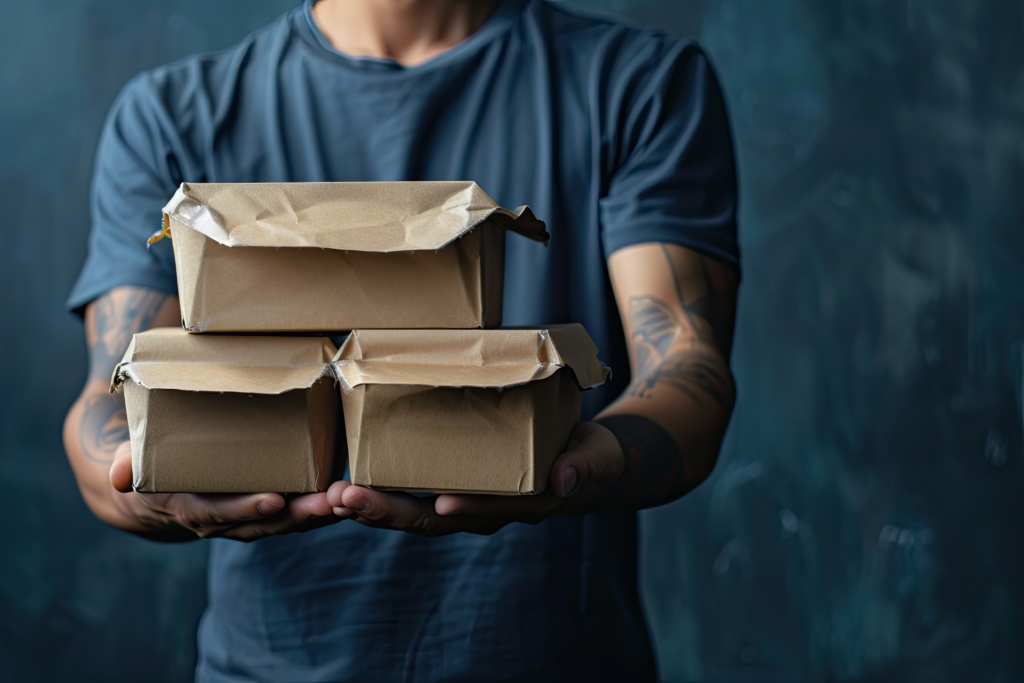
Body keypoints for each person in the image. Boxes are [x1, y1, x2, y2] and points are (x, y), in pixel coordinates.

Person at [62, 0, 739, 679]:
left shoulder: (639, 84)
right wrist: (147, 485)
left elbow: (686, 368)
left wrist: (587, 465)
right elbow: (111, 401)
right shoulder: (174, 115)